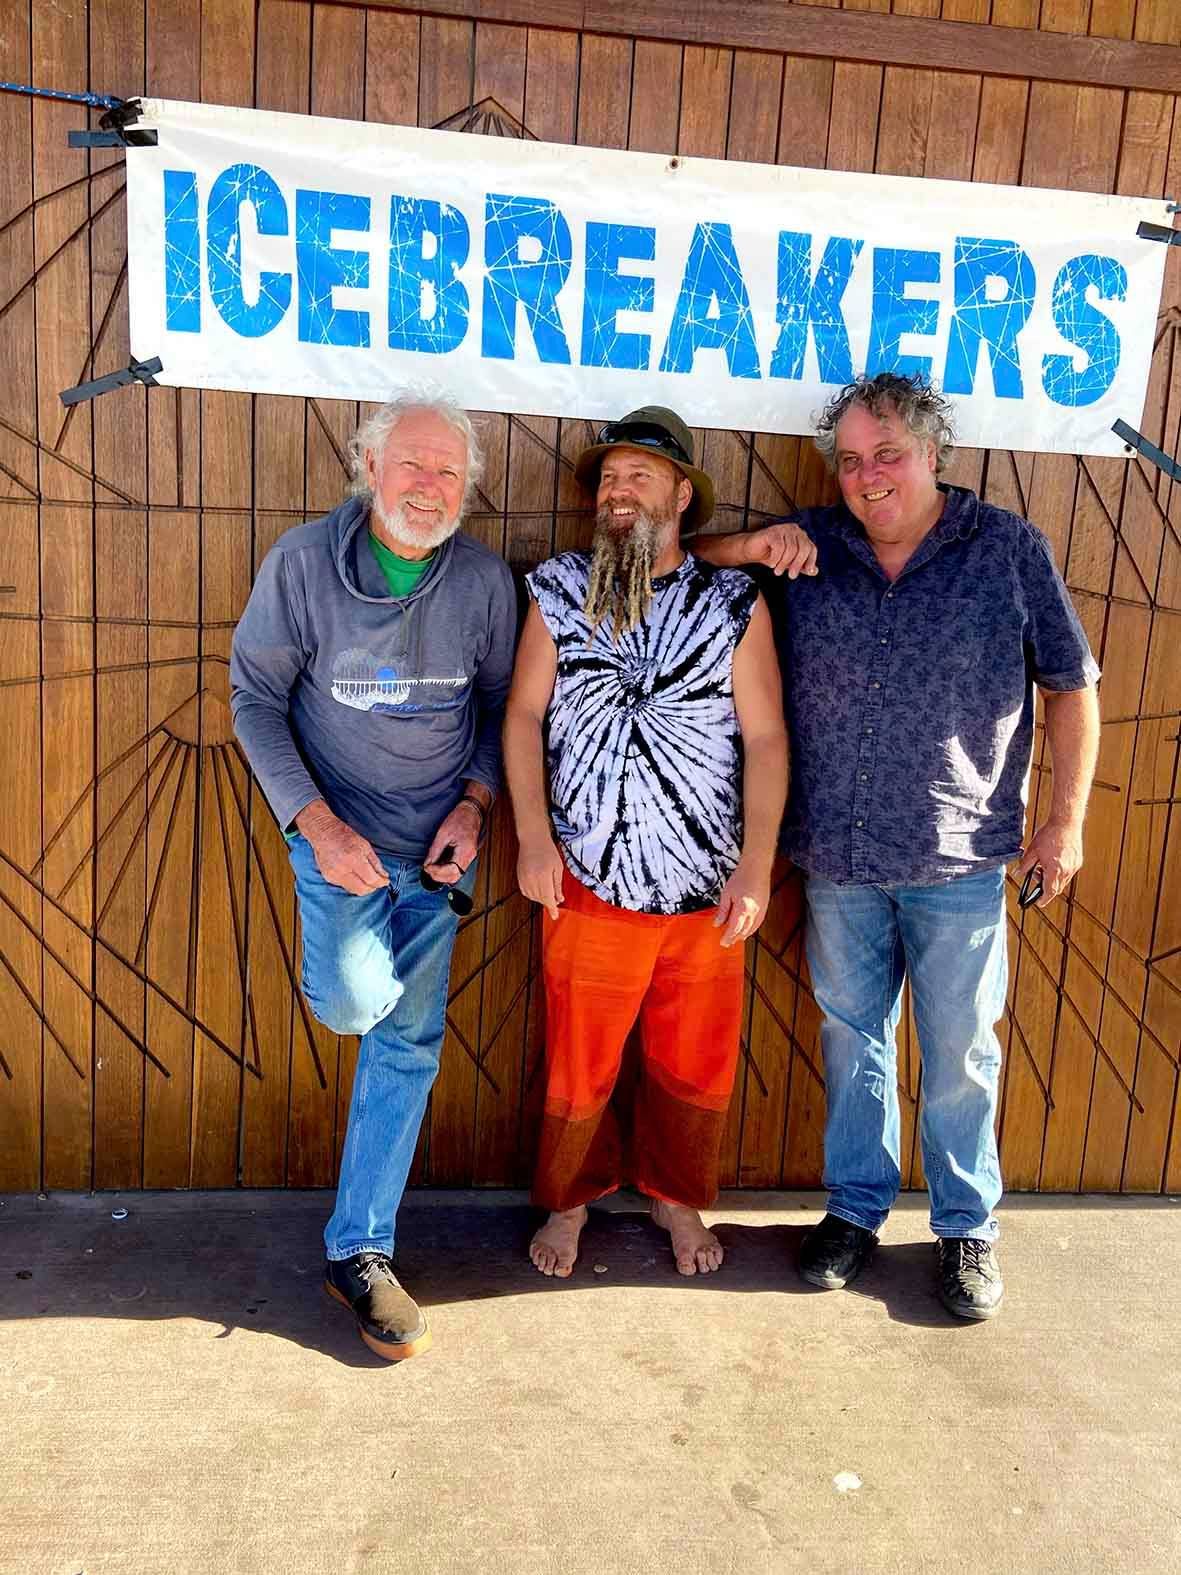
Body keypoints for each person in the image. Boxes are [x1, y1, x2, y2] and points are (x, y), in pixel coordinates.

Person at [697, 372, 1100, 1319]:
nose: (867, 476)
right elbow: (688, 563)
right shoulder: (813, 542)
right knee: (853, 1038)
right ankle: (855, 1210)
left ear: (932, 453)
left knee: (960, 1050)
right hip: (836, 855)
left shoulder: (1005, 548)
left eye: (887, 454)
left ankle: (967, 1228)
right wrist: (755, 543)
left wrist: (1065, 821)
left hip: (958, 857)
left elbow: (1070, 686)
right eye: (849, 459)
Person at [230, 393, 516, 1358]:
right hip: (338, 845)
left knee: (408, 1047)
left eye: (448, 473)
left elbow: (500, 705)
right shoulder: (302, 564)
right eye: (412, 466)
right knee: (359, 1007)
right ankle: (361, 1229)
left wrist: (476, 804)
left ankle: (359, 1250)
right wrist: (312, 822)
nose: (428, 489)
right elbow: (254, 700)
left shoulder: (482, 583)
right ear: (367, 467)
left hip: (437, 853)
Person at [503, 406, 789, 1278]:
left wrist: (756, 862)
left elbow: (767, 736)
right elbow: (521, 712)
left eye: (638, 477)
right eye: (607, 480)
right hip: (586, 873)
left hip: (704, 885)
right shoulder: (557, 588)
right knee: (579, 1056)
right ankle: (571, 1201)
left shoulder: (732, 600)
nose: (617, 493)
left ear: (680, 494)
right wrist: (532, 837)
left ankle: (674, 1196)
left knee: (689, 1056)